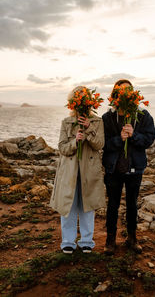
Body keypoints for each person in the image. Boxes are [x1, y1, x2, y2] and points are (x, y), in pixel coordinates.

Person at [102, 79, 155, 255]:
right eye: (121, 91)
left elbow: (149, 138)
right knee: (113, 205)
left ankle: (132, 238)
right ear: (116, 94)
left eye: (128, 91)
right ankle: (110, 240)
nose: (124, 93)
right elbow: (103, 143)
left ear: (133, 94)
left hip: (135, 167)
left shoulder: (143, 115)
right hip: (113, 168)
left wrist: (133, 136)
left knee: (132, 204)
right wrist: (120, 139)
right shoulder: (108, 117)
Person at [50, 86, 105, 254]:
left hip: (89, 169)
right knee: (69, 205)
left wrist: (88, 129)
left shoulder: (97, 121)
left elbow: (100, 145)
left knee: (87, 205)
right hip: (70, 170)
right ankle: (68, 241)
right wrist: (75, 142)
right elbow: (62, 148)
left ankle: (87, 241)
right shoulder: (66, 122)